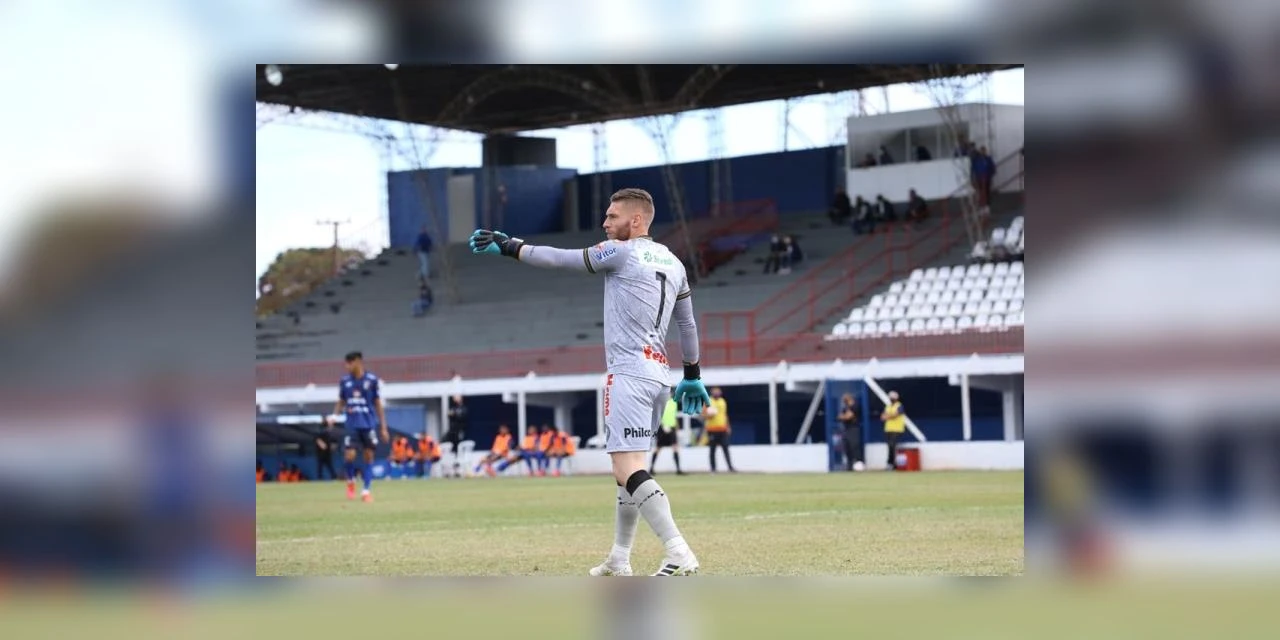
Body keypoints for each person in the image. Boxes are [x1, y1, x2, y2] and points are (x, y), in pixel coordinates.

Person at [469, 186, 710, 577]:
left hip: (628, 374)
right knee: (627, 472)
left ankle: (678, 551)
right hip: (659, 376)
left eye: (612, 216)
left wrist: (511, 246)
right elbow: (688, 324)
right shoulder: (674, 263)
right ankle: (620, 557)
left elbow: (560, 258)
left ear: (636, 220)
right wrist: (693, 375)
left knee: (627, 469)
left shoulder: (620, 252)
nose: (605, 222)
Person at [325, 351, 389, 502]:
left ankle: (366, 491)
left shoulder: (371, 380)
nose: (347, 366)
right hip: (352, 424)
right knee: (349, 455)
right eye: (346, 363)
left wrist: (383, 427)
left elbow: (377, 403)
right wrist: (334, 415)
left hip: (368, 424)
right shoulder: (345, 381)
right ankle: (351, 482)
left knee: (369, 456)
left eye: (349, 363)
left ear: (358, 362)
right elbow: (341, 401)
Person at [650, 390, 684, 475]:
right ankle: (651, 468)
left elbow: (674, 416)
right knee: (658, 448)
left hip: (672, 427)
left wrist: (676, 427)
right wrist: (662, 425)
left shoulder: (674, 403)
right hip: (662, 428)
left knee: (675, 447)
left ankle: (678, 469)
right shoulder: (660, 403)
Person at [704, 387, 736, 473]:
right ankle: (713, 469)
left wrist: (728, 426)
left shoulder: (723, 401)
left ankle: (730, 468)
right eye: (715, 392)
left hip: (722, 429)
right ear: (712, 393)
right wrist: (709, 415)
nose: (717, 393)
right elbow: (703, 415)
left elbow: (725, 414)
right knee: (712, 449)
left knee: (726, 448)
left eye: (718, 392)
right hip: (712, 429)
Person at [836, 394, 863, 471]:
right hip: (846, 429)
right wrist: (844, 416)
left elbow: (848, 416)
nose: (844, 401)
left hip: (854, 428)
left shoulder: (855, 406)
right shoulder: (845, 408)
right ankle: (849, 466)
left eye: (845, 399)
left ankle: (859, 464)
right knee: (847, 447)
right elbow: (839, 417)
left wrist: (844, 417)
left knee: (854, 445)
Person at [881, 390, 906, 470]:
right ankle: (891, 464)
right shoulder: (888, 406)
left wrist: (888, 416)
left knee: (892, 446)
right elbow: (883, 417)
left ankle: (892, 463)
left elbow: (896, 415)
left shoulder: (899, 405)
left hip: (897, 429)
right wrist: (889, 416)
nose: (891, 398)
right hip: (888, 429)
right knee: (889, 446)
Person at [444, 396, 468, 477]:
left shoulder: (463, 408)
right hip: (452, 433)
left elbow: (462, 417)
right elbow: (449, 415)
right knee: (451, 449)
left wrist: (455, 414)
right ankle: (450, 469)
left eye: (457, 398)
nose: (455, 400)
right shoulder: (452, 407)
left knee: (459, 449)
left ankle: (458, 469)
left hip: (459, 432)